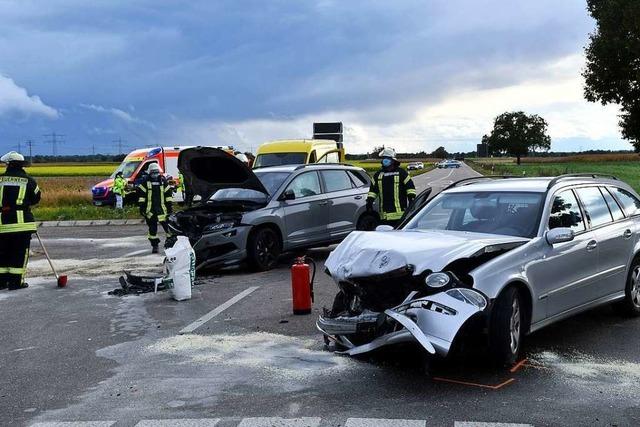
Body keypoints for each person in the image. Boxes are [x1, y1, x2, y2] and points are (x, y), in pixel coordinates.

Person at [0, 151, 41, 290]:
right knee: (19, 254)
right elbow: (36, 198)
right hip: (22, 224)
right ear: (21, 165)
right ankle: (15, 283)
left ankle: (1, 283)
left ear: (8, 165)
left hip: (2, 224)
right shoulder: (29, 180)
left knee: (2, 253)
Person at [366, 147, 416, 227]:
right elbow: (373, 191)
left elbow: (410, 188)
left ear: (393, 160)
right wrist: (369, 202)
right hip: (384, 217)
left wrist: (411, 199)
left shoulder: (401, 173)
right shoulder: (378, 175)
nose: (385, 160)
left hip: (400, 216)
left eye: (387, 158)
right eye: (383, 158)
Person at [136, 163, 173, 253]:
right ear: (149, 173)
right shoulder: (145, 182)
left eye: (156, 172)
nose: (155, 174)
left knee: (168, 229)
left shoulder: (163, 181)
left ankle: (170, 245)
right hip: (150, 211)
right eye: (153, 172)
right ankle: (155, 246)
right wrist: (142, 207)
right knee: (152, 230)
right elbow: (141, 196)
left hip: (162, 210)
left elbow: (168, 195)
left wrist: (169, 207)